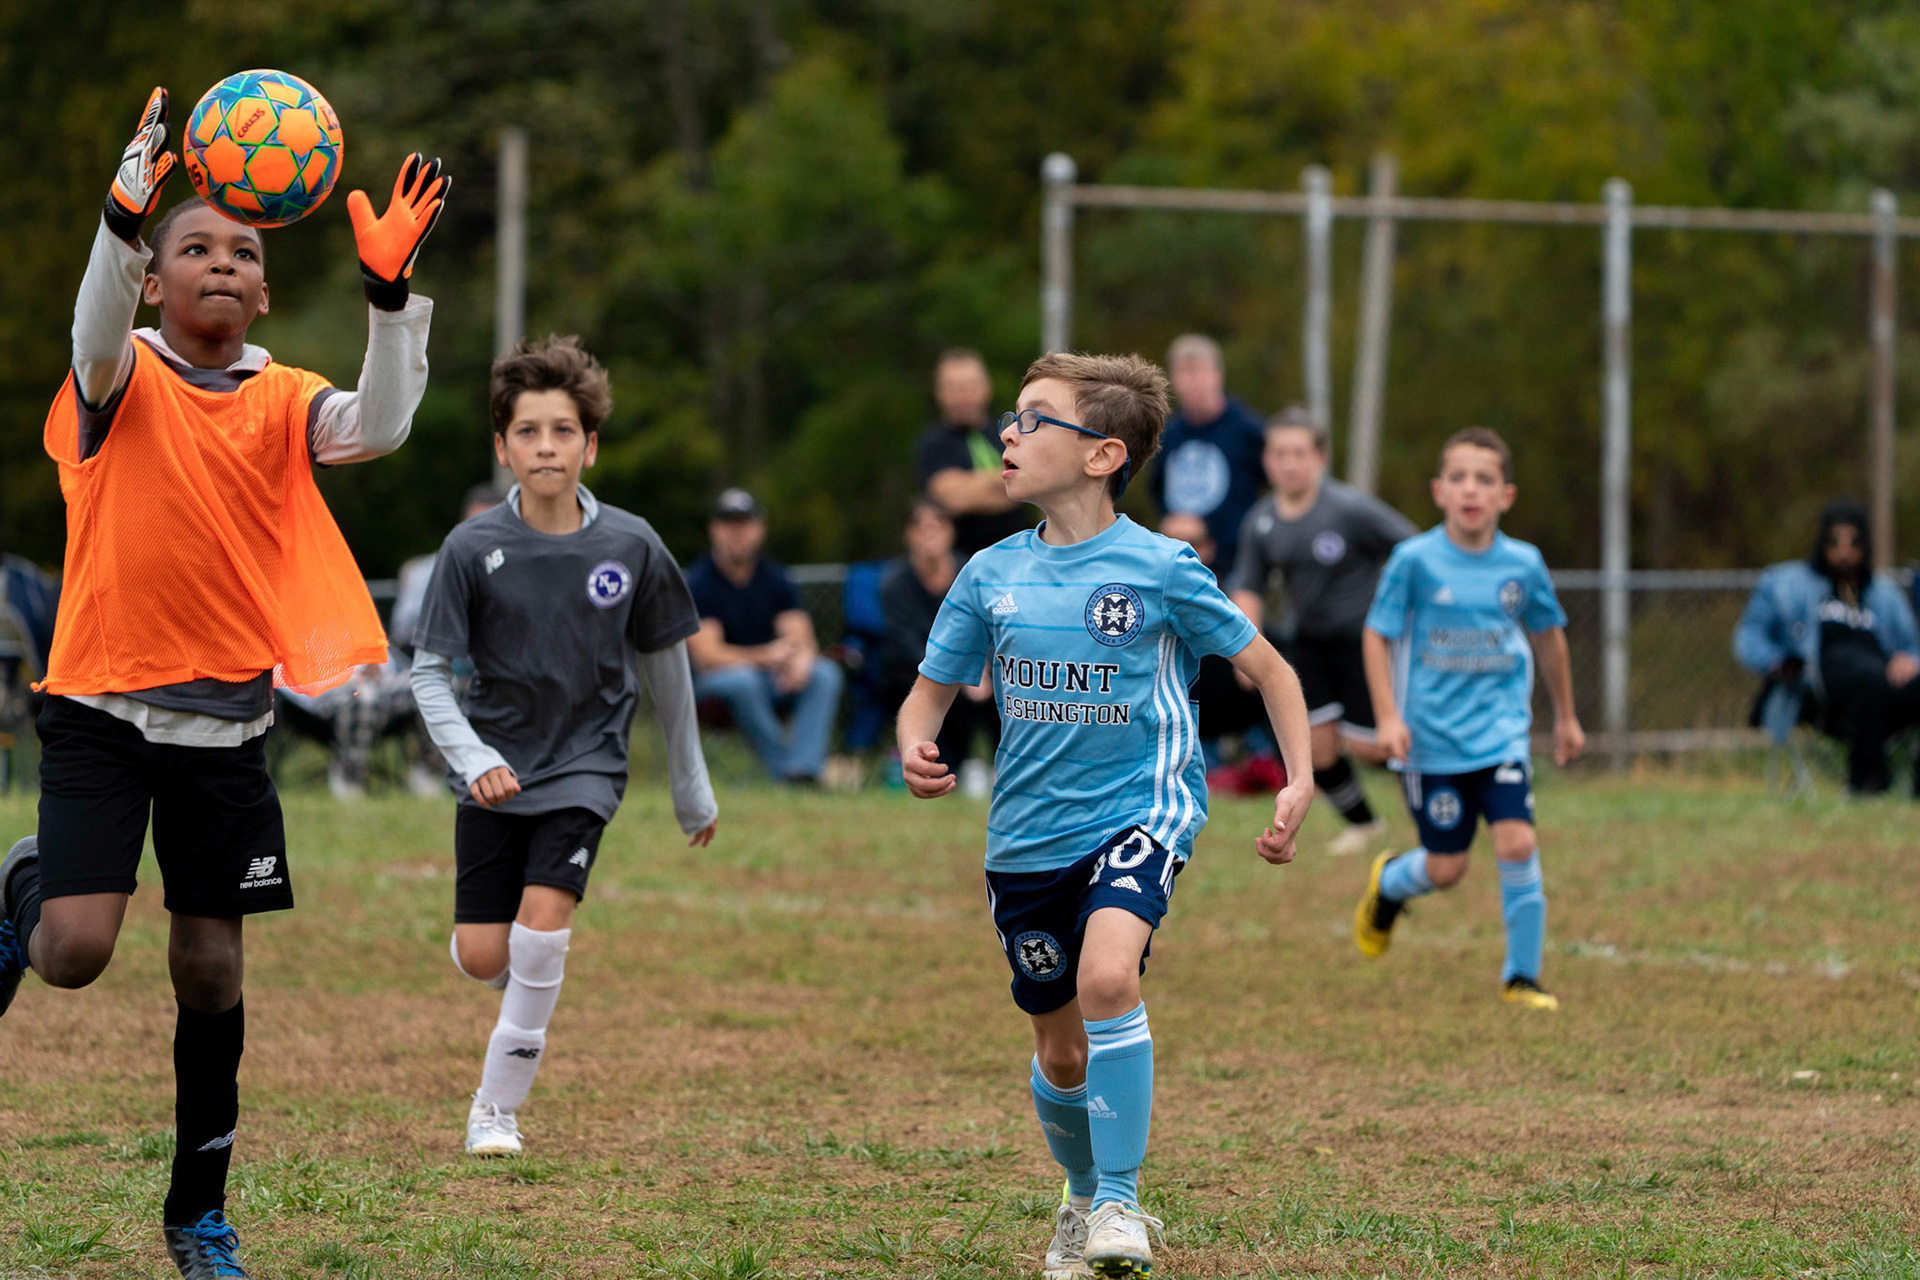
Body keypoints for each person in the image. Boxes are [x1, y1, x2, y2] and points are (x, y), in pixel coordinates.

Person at [0, 88, 447, 1279]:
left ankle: (197, 1213)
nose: (220, 263)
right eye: (192, 248)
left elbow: (383, 425)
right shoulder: (117, 376)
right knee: (73, 951)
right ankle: (23, 885)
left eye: (242, 253)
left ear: (264, 293)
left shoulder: (287, 398)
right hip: (99, 712)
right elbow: (94, 326)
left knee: (209, 968)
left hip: (227, 730)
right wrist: (117, 223)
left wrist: (391, 300)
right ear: (154, 282)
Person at [897, 352, 1314, 1279]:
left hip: (1142, 811)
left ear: (1102, 455)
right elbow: (928, 695)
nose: (1008, 434)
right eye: (1011, 418)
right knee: (1060, 1048)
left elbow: (1271, 671)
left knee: (1109, 979)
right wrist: (916, 744)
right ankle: (1082, 1198)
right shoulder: (989, 573)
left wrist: (1298, 777)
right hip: (1024, 841)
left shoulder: (1161, 567)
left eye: (1033, 420)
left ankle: (1120, 1203)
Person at [410, 335, 718, 1157]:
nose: (546, 446)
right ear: (502, 448)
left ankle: (495, 1111)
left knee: (542, 933)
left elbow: (667, 670)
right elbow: (429, 676)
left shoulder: (632, 544)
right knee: (486, 956)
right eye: (529, 431)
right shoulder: (469, 549)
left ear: (591, 446)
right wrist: (475, 759)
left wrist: (690, 786)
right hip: (494, 772)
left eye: (563, 431)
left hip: (588, 765)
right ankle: (507, 971)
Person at [1351, 428, 1584, 1012]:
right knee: (1447, 867)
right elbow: (1377, 635)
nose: (1470, 489)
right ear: (1439, 492)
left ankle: (1522, 978)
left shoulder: (1523, 564)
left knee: (1517, 841)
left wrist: (1566, 717)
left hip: (1501, 736)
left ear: (1507, 495)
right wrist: (1387, 717)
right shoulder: (1414, 561)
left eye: (1484, 479)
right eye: (1458, 478)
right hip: (1430, 742)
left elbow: (1549, 636)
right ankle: (1389, 883)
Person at [1230, 406, 1418, 854]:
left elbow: (1414, 550)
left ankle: (1437, 793)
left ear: (1319, 458)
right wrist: (1242, 652)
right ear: (1267, 460)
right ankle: (1365, 825)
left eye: (1299, 453)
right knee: (1316, 748)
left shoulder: (1348, 508)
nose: (1289, 463)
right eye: (1279, 453)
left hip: (1364, 641)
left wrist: (1399, 607)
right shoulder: (1261, 521)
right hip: (1310, 643)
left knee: (1371, 747)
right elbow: (1248, 587)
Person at [1734, 498, 1920, 795]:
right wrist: (1777, 661)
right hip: (1819, 685)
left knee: (1882, 679)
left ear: (1866, 545)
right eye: (1835, 542)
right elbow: (1749, 635)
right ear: (1821, 543)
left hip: (1883, 682)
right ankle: (1867, 785)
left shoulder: (1883, 593)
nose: (1844, 551)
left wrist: (1910, 657)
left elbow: (1911, 643)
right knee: (1866, 678)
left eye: (1854, 542)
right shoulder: (1786, 583)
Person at [685, 490, 844, 784]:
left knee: (824, 673)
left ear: (760, 529)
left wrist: (801, 659)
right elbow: (708, 657)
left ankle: (803, 770)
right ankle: (784, 773)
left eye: (744, 524)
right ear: (714, 529)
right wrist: (766, 656)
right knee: (742, 679)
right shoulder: (698, 582)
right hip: (712, 687)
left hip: (769, 679)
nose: (737, 533)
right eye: (729, 524)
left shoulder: (775, 578)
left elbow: (799, 635)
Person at [877, 500, 997, 792]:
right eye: (919, 526)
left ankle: (1002, 766)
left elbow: (992, 625)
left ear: (950, 531)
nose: (928, 533)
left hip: (978, 666)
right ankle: (948, 765)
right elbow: (904, 641)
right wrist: (954, 670)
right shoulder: (894, 583)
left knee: (1004, 681)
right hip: (914, 669)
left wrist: (982, 667)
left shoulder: (973, 572)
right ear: (908, 535)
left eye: (937, 525)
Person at [1149, 334, 1266, 581]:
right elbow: (1157, 488)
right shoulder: (1168, 433)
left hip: (1235, 567)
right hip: (1179, 564)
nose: (1192, 382)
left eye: (1198, 372)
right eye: (1184, 373)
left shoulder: (1247, 430)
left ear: (1217, 375)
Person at [915, 348, 1029, 555]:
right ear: (939, 392)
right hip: (962, 562)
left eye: (970, 386)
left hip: (1018, 555)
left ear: (986, 387)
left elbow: (1033, 484)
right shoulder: (933, 443)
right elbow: (954, 498)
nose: (963, 396)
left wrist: (973, 485)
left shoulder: (1008, 432)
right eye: (953, 387)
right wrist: (1008, 480)